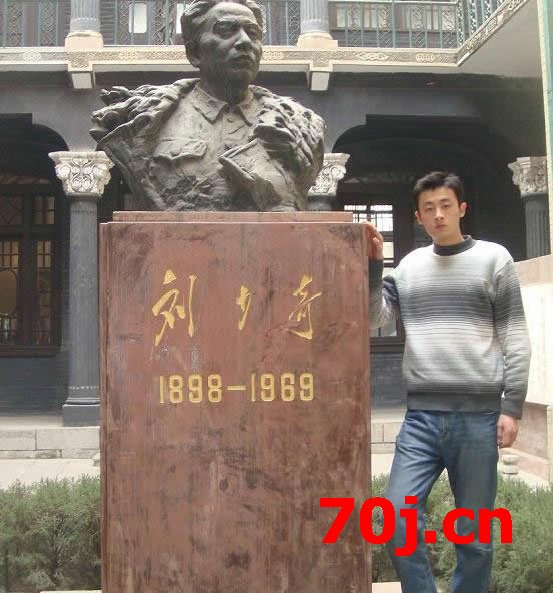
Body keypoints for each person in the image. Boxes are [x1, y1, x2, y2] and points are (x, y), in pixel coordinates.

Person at [366, 171, 531, 593]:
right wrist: (373, 265)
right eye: (428, 208)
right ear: (418, 217)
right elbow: (375, 320)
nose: (437, 214)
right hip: (421, 418)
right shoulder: (408, 267)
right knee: (397, 516)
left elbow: (514, 335)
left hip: (478, 419)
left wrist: (512, 406)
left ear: (461, 209)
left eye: (445, 205)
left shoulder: (494, 259)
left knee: (473, 537)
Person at [90, 0, 325, 212]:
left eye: (252, 33)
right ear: (194, 52)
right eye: (226, 30)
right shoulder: (147, 121)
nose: (244, 42)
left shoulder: (298, 125)